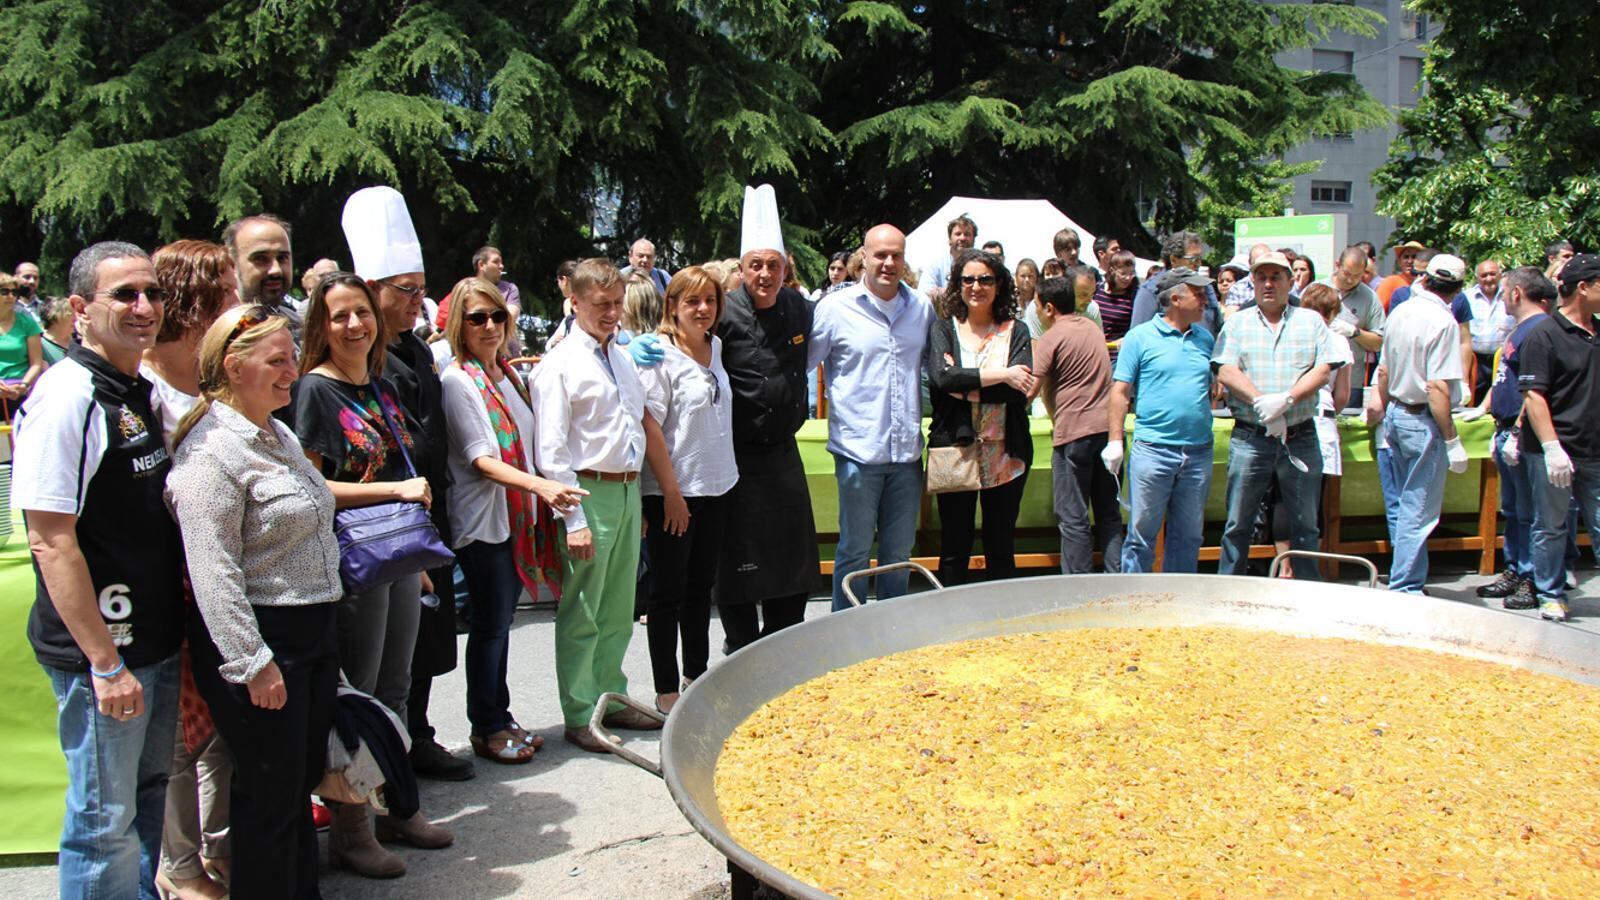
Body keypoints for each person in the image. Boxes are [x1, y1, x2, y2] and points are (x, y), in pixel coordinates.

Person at [13, 242, 185, 900]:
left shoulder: (136, 388)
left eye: (151, 292)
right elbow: (50, 540)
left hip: (156, 642)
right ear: (80, 309)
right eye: (125, 295)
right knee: (99, 821)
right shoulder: (69, 396)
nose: (144, 307)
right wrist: (104, 662)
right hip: (106, 656)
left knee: (142, 800)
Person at [164, 307, 340, 900]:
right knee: (268, 798)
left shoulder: (277, 431)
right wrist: (252, 662)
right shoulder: (211, 454)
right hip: (266, 645)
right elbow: (212, 572)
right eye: (278, 360)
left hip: (310, 632)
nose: (293, 370)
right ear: (234, 368)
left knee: (294, 790)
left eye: (293, 356)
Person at [292, 273, 451, 876]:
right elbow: (310, 487)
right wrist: (394, 489)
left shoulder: (381, 386)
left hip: (399, 557)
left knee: (397, 687)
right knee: (357, 696)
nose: (354, 325)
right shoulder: (314, 391)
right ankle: (352, 831)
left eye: (361, 313)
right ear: (320, 327)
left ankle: (397, 806)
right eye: (339, 317)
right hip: (354, 561)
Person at [340, 186, 475, 783]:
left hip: (429, 506)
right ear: (370, 291)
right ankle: (385, 755)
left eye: (422, 289)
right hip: (384, 518)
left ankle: (416, 731)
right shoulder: (362, 359)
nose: (419, 302)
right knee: (387, 649)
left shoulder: (417, 349)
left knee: (426, 638)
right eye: (407, 290)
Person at [438, 277, 584, 761]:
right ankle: (487, 725)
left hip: (514, 516)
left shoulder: (506, 373)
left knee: (498, 622)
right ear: (459, 323)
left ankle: (499, 716)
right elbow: (481, 458)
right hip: (485, 522)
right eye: (477, 318)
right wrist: (541, 487)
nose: (489, 326)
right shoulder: (459, 381)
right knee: (492, 625)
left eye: (497, 316)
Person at [529, 257, 663, 751]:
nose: (611, 313)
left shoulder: (621, 357)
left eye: (616, 304)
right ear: (576, 302)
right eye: (601, 304)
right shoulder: (559, 365)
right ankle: (581, 711)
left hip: (625, 489)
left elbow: (632, 428)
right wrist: (574, 519)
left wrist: (639, 500)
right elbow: (552, 450)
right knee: (585, 607)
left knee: (618, 606)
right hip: (587, 490)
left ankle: (613, 694)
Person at [145, 240, 240, 900]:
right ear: (194, 302)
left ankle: (220, 852)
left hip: (219, 580)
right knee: (181, 741)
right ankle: (178, 866)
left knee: (217, 736)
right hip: (168, 587)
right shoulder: (148, 395)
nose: (239, 305)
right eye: (228, 293)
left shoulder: (207, 390)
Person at [714, 185, 818, 648]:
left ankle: (782, 643)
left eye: (773, 265)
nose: (765, 274)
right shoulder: (722, 311)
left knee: (792, 557)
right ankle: (740, 646)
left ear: (784, 268)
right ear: (741, 270)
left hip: (783, 453)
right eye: (755, 265)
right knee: (739, 557)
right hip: (735, 456)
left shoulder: (798, 307)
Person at [811, 223, 933, 608]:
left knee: (899, 556)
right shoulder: (834, 309)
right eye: (880, 255)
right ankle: (844, 639)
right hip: (857, 454)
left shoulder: (922, 309)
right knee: (854, 553)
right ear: (864, 257)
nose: (889, 263)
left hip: (906, 456)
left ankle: (891, 637)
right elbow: (799, 363)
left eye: (896, 255)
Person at [637, 267, 736, 714]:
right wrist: (671, 493)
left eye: (710, 301)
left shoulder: (716, 347)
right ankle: (665, 689)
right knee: (667, 593)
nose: (702, 309)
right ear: (672, 306)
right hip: (674, 492)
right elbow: (650, 425)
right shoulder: (660, 356)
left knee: (701, 590)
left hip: (717, 487)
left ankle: (695, 674)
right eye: (691, 301)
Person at [1213, 251, 1342, 580]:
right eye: (1262, 277)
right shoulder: (1237, 323)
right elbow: (1225, 369)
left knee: (1306, 525)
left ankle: (1308, 593)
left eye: (1276, 277)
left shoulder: (1310, 321)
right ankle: (1229, 592)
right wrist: (1259, 401)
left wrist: (1286, 399)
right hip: (1250, 437)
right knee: (1237, 524)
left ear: (1290, 282)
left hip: (1299, 435)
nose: (1268, 283)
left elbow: (1324, 368)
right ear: (1253, 282)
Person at [925, 249, 1032, 584]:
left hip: (1006, 452)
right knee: (955, 547)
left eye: (985, 279)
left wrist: (964, 381)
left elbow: (1018, 391)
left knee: (1000, 546)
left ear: (999, 284)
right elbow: (943, 379)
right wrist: (1002, 374)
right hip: (956, 448)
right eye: (967, 279)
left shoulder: (1018, 330)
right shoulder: (943, 329)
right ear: (957, 285)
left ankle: (1001, 623)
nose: (976, 286)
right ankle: (951, 623)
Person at [1104, 268, 1217, 573]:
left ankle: (1177, 602)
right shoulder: (1139, 338)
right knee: (1141, 535)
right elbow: (1120, 391)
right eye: (1199, 292)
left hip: (1197, 451)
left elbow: (1216, 385)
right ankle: (1134, 602)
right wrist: (1115, 440)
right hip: (1154, 449)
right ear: (1176, 298)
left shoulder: (1205, 338)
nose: (1207, 299)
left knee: (1189, 536)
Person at [1372, 254, 1470, 595]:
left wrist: (1382, 409)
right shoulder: (1442, 323)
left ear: (1424, 279)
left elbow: (1383, 372)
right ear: (1456, 290)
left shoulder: (1401, 311)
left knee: (1404, 506)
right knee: (1418, 510)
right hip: (1420, 417)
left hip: (1397, 413)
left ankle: (1408, 582)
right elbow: (1438, 388)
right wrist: (1452, 439)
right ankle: (1405, 588)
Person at [1466, 266, 1556, 609]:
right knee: (1514, 510)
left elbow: (1533, 391)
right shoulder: (1519, 331)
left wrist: (1517, 431)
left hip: (1525, 435)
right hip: (1505, 427)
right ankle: (1516, 569)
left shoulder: (1538, 331)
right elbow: (1504, 380)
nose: (1501, 297)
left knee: (1532, 512)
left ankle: (1534, 577)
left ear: (1517, 293)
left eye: (1504, 291)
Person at [1517, 254, 1600, 622]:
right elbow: (1534, 395)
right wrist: (1552, 448)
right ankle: (1549, 592)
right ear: (1583, 287)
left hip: (1594, 450)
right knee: (1551, 524)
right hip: (1554, 450)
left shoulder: (1597, 332)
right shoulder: (1544, 335)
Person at [1031, 275, 1122, 573]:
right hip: (1108, 433)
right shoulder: (1094, 330)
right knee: (1108, 514)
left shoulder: (1051, 337)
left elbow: (1031, 388)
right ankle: (1115, 580)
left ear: (1048, 308)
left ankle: (1078, 589)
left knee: (1073, 517)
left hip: (1074, 434)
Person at [1320, 245, 1386, 408]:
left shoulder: (1369, 298)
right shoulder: (1317, 290)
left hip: (1350, 382)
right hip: (1317, 379)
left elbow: (1379, 342)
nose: (1350, 280)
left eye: (1357, 276)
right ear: (1337, 265)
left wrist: (1354, 332)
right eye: (1347, 274)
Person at [222, 215, 302, 344]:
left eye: (282, 258)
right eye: (261, 259)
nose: (276, 270)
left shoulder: (300, 328)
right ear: (233, 264)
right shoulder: (221, 332)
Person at [1129, 231, 1221, 335]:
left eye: (1200, 259)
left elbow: (1218, 326)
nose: (1198, 264)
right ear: (1173, 259)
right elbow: (1138, 336)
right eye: (1193, 259)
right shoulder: (1150, 291)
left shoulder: (1206, 288)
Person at [1464, 259, 1511, 404]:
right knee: (1474, 399)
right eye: (1484, 275)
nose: (1489, 279)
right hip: (1476, 360)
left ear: (1500, 275)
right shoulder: (1467, 297)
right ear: (1477, 277)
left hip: (1503, 359)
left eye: (1492, 274)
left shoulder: (1509, 296)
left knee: (1502, 397)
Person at [0, 272, 45, 416]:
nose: (11, 296)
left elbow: (36, 363)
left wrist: (23, 386)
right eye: (4, 292)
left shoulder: (27, 323)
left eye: (14, 292)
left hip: (21, 391)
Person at [921, 214, 976, 302]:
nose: (962, 238)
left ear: (974, 239)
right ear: (949, 239)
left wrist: (941, 291)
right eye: (958, 234)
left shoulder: (981, 265)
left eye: (967, 234)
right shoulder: (935, 264)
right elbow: (924, 294)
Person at [1093, 249, 1140, 347]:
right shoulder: (1097, 289)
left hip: (1117, 352)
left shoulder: (1135, 296)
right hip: (1094, 347)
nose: (1128, 278)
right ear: (1112, 271)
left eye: (1131, 273)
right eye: (1123, 273)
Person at [1375, 240, 1426, 310]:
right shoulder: (1390, 282)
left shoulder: (1427, 283)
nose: (1410, 261)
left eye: (1414, 257)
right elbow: (1377, 311)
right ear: (1399, 262)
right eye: (1406, 257)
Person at [38, 296, 75, 365]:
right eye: (69, 314)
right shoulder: (40, 347)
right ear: (53, 317)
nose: (75, 318)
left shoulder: (80, 342)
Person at [1013, 258, 1045, 338]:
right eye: (1023, 276)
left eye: (1030, 276)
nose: (1027, 280)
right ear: (1016, 278)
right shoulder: (1011, 301)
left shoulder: (1042, 301)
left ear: (1037, 278)